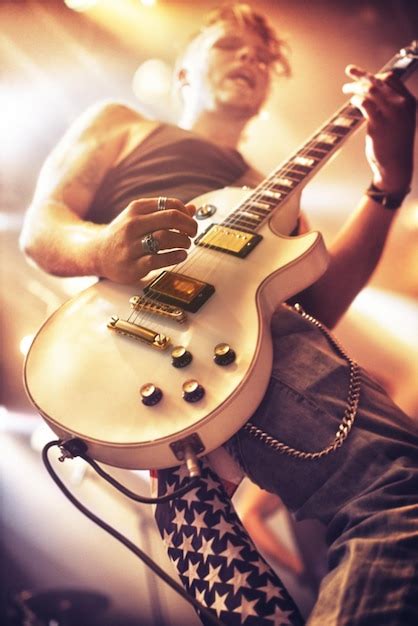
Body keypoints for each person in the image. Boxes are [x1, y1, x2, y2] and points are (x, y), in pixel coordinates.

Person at [20, 3, 418, 625]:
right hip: (127, 340)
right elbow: (41, 227)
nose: (251, 60)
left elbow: (313, 311)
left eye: (262, 58)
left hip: (247, 352)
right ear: (183, 73)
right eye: (232, 46)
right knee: (398, 491)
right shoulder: (122, 124)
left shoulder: (276, 197)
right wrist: (101, 247)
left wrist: (388, 182)